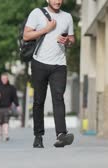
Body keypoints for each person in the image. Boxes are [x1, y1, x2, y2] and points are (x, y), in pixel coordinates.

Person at [23, 0, 75, 148]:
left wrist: (67, 41)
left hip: (59, 65)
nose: (57, 1)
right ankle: (38, 136)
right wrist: (47, 29)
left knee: (58, 97)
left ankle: (61, 135)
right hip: (39, 63)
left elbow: (72, 39)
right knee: (39, 101)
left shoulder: (67, 17)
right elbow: (26, 36)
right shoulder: (37, 13)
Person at [0, 73, 20, 142]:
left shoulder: (11, 88)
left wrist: (17, 105)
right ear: (1, 79)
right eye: (3, 79)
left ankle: (6, 134)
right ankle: (1, 133)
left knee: (6, 121)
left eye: (5, 79)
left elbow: (15, 98)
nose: (4, 80)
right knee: (0, 122)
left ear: (7, 79)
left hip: (7, 107)